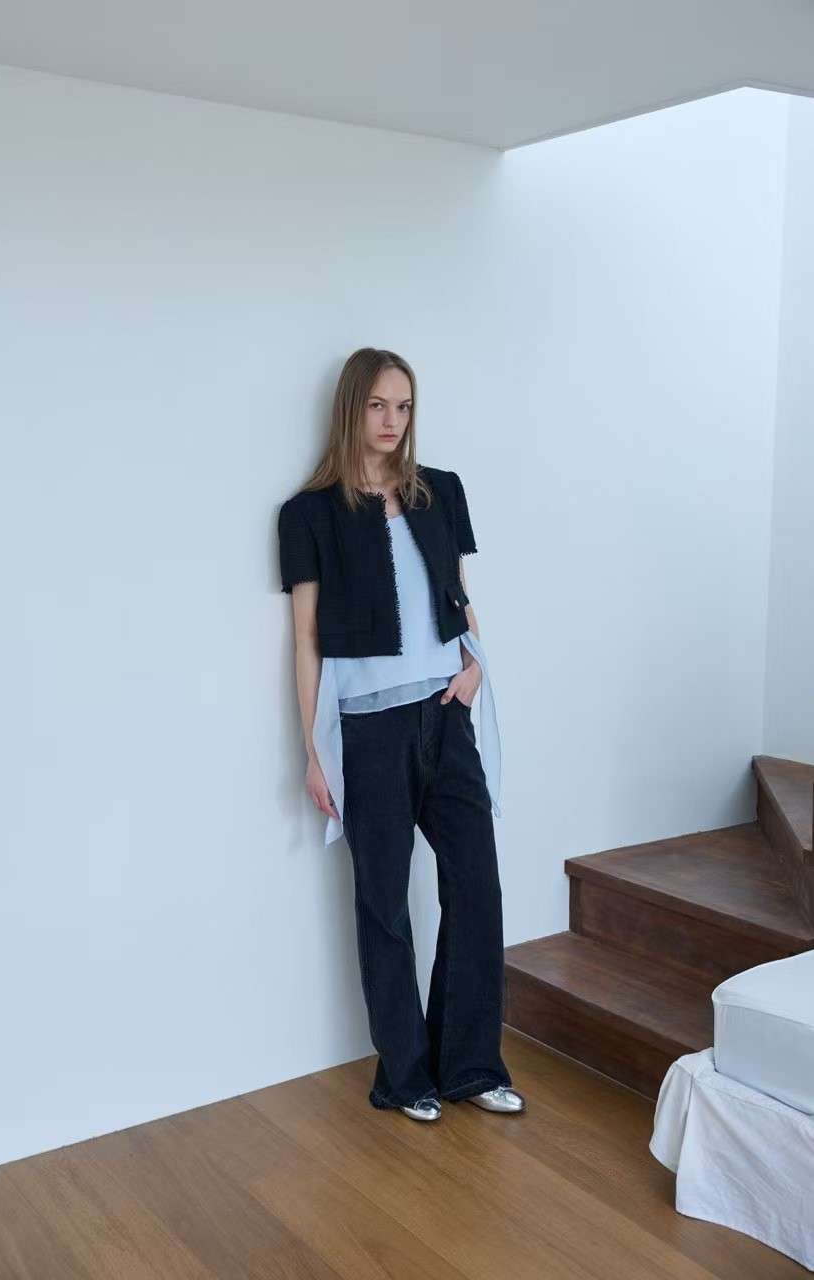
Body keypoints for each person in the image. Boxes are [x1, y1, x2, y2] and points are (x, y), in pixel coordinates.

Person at [278, 347, 525, 1123]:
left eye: (404, 406)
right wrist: (314, 751)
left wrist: (476, 663)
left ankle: (470, 1067)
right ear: (351, 408)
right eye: (378, 405)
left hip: (445, 714)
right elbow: (306, 639)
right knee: (384, 905)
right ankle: (405, 1075)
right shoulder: (309, 514)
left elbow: (457, 595)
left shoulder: (438, 491)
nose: (392, 421)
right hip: (368, 732)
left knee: (475, 887)